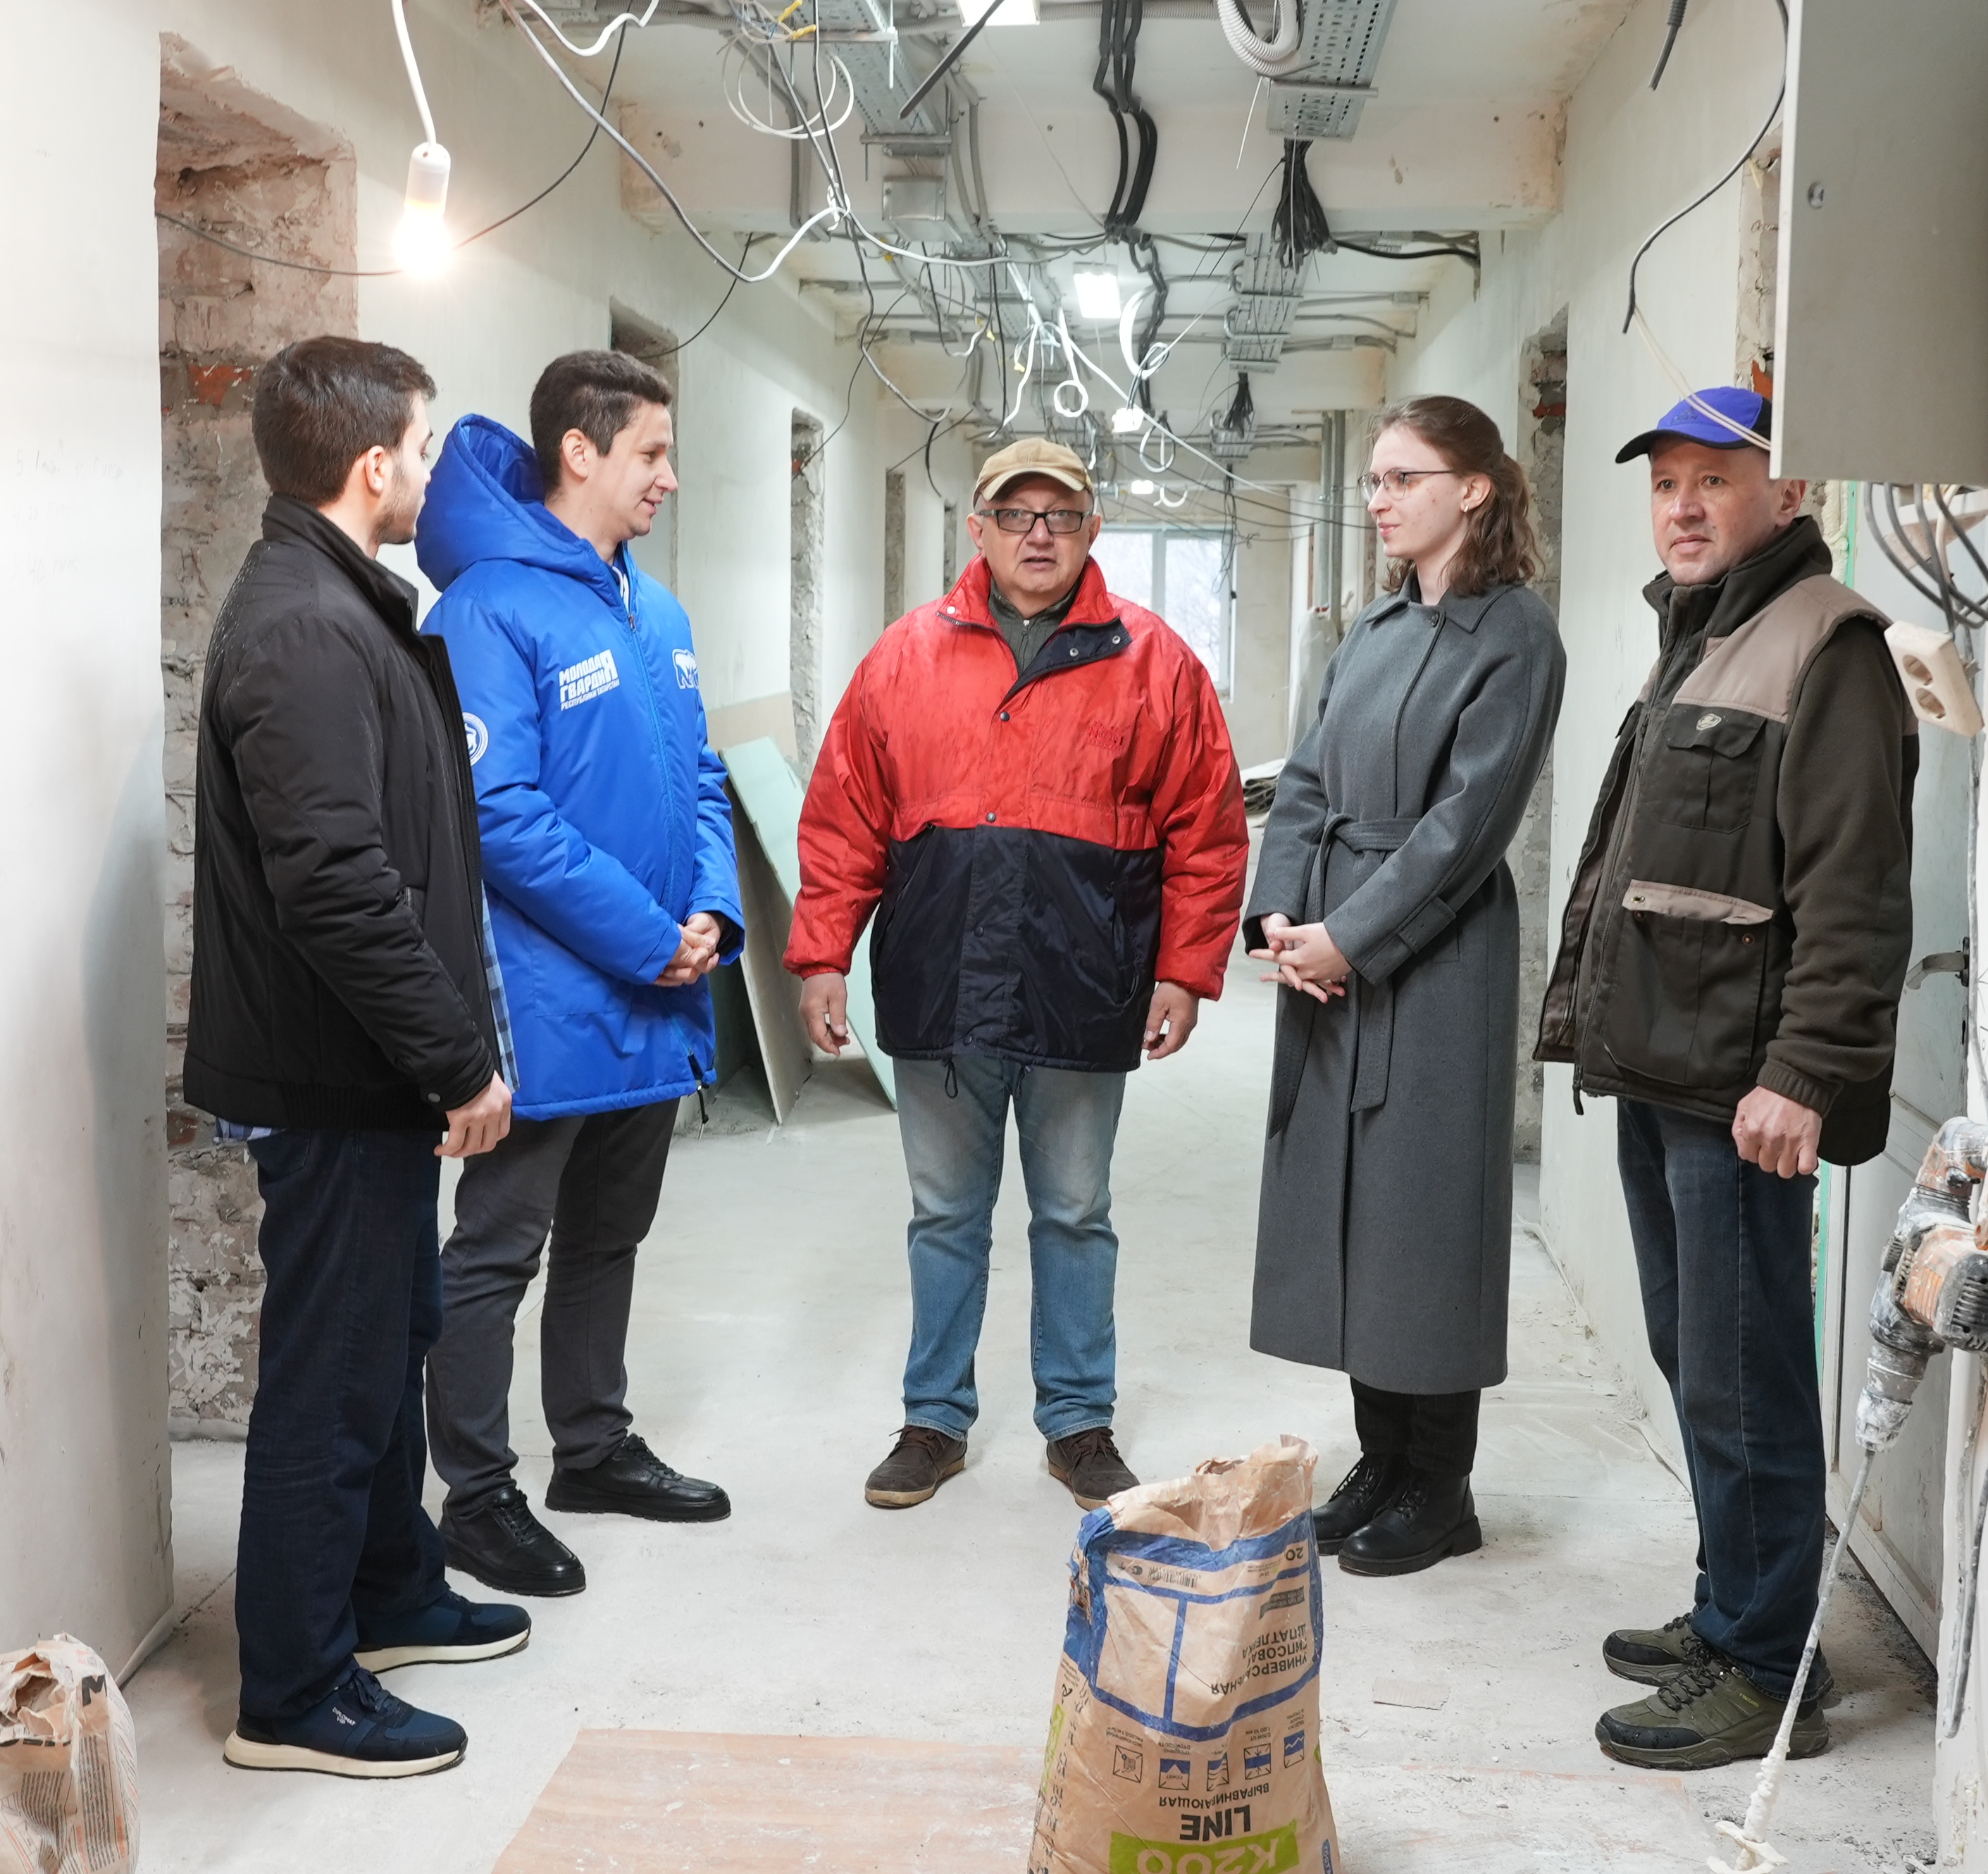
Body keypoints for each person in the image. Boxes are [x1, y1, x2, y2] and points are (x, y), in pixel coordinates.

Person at [1537, 386, 1916, 1770]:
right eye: (1665, 483)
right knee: (1699, 1364)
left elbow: (1854, 889)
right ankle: (1733, 1611)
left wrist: (1803, 1073)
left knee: (1745, 1379)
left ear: (1788, 493)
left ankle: (1766, 1670)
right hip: (1668, 1068)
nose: (1683, 505)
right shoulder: (1701, 635)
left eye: (1714, 477)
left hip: (1744, 1093)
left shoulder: (1828, 644)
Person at [185, 335, 530, 1780]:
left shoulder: (342, 603)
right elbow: (334, 883)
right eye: (427, 449)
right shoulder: (303, 630)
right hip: (337, 1078)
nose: (435, 474)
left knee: (389, 1344)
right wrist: (457, 1061)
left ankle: (388, 1594)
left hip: (370, 1071)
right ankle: (294, 1690)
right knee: (332, 1376)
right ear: (374, 463)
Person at [789, 436, 1248, 1513]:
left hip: (1085, 983)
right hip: (943, 982)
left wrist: (1185, 970)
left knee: (1075, 1212)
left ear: (1092, 530)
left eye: (1061, 514)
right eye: (1016, 513)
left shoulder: (1156, 662)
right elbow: (844, 817)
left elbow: (1208, 829)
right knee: (944, 1214)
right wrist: (821, 955)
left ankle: (1079, 1423)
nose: (1038, 533)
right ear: (979, 528)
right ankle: (933, 1420)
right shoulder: (905, 658)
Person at [409, 349, 743, 1603]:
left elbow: (702, 777)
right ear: (580, 452)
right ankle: (476, 1495)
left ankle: (592, 1451)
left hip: (658, 989)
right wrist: (647, 935)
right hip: (546, 998)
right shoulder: (488, 609)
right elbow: (494, 812)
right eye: (651, 453)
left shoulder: (659, 614)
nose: (668, 477)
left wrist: (710, 909)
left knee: (612, 1234)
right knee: (498, 1247)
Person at [1245, 396, 1566, 1579]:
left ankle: (1441, 1486)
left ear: (1472, 488)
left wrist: (1352, 937)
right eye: (1374, 480)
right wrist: (1283, 911)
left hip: (1433, 958)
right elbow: (1307, 780)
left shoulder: (1515, 634)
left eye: (1402, 478)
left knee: (1424, 1220)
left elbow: (1465, 828)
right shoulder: (1375, 629)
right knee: (1352, 1213)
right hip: (1330, 942)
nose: (1378, 499)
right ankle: (1381, 1462)